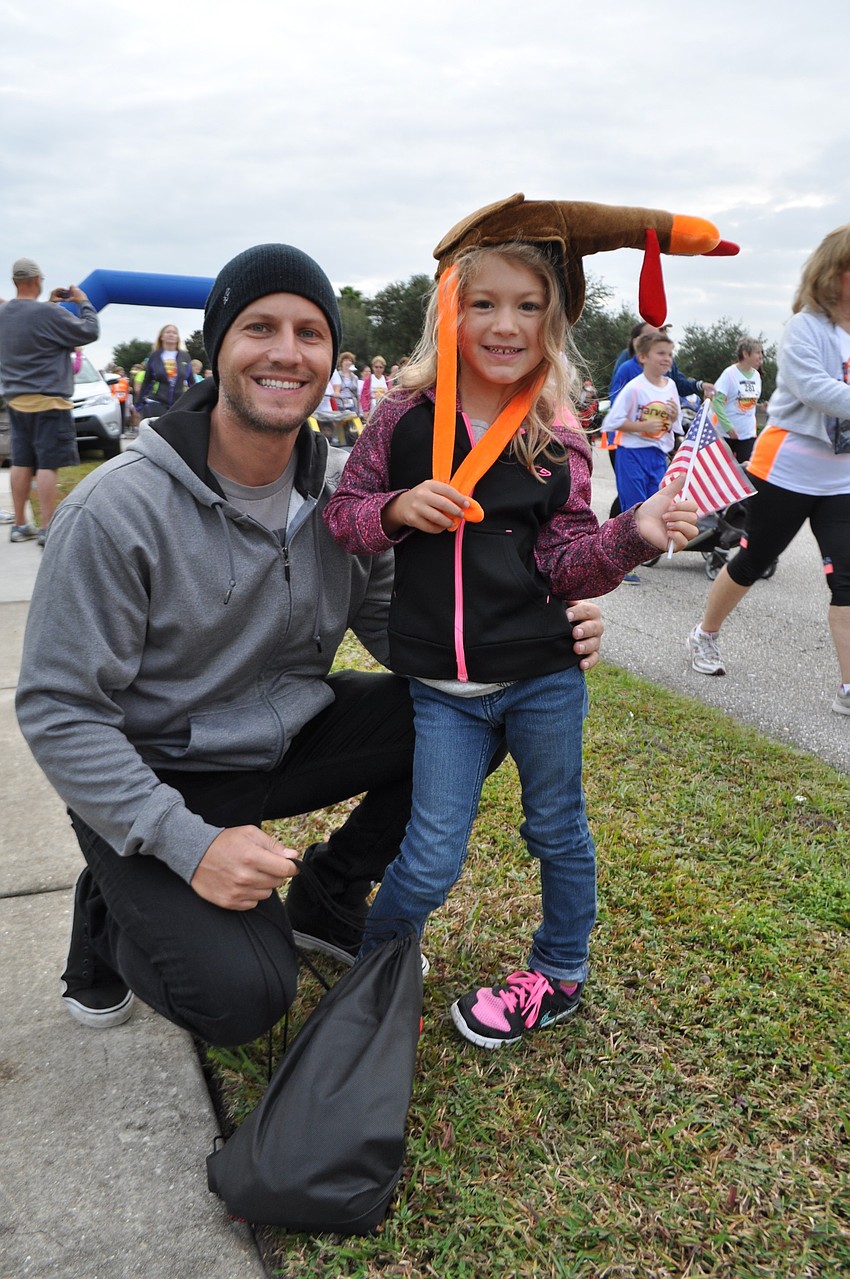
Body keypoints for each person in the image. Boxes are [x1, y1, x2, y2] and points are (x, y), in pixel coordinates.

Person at [15, 242, 604, 1047]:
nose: (286, 352)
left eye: (309, 332)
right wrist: (188, 846)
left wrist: (531, 635)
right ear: (216, 345)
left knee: (468, 713)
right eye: (260, 327)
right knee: (244, 997)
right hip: (161, 768)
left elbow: (408, 624)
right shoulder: (119, 510)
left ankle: (328, 891)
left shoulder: (340, 496)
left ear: (331, 356)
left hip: (281, 740)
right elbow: (59, 712)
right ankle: (115, 899)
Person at [324, 239, 697, 1049]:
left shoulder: (558, 433)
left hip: (542, 679)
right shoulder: (402, 415)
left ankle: (560, 970)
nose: (505, 324)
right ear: (450, 312)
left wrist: (633, 531)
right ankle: (379, 971)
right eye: (483, 303)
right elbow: (341, 514)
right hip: (445, 694)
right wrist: (393, 510)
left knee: (557, 827)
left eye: (528, 306)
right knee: (427, 858)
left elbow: (568, 561)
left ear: (552, 323)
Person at [687, 225, 850, 717]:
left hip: (842, 477)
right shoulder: (806, 327)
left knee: (846, 580)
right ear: (837, 273)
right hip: (787, 468)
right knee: (754, 559)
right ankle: (703, 636)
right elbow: (814, 388)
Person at [0, 258, 98, 544]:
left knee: (20, 462)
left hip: (16, 400)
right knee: (46, 465)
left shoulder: (4, 313)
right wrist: (84, 302)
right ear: (36, 280)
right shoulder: (48, 315)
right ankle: (46, 527)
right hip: (50, 401)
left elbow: (29, 327)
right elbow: (89, 331)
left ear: (16, 281)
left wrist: (50, 305)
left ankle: (20, 525)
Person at [604, 329, 683, 581]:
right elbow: (612, 421)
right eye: (660, 353)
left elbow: (675, 423)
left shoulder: (670, 386)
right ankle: (623, 563)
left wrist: (672, 417)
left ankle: (630, 551)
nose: (666, 358)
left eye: (670, 354)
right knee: (634, 507)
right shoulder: (634, 388)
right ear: (643, 357)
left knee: (655, 504)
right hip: (632, 454)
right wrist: (641, 427)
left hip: (658, 455)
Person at [711, 338, 763, 464]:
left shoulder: (756, 376)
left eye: (761, 353)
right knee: (722, 472)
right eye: (757, 352)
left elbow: (750, 401)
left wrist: (762, 407)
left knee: (746, 474)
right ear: (745, 353)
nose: (761, 357)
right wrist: (728, 427)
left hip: (747, 434)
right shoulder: (729, 374)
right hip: (726, 434)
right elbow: (716, 402)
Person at [134, 322, 194, 419]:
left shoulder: (185, 356)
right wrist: (138, 404)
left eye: (174, 333)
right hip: (158, 402)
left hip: (178, 403)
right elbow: (147, 381)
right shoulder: (154, 356)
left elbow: (191, 382)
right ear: (161, 337)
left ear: (177, 337)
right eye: (168, 332)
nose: (171, 334)